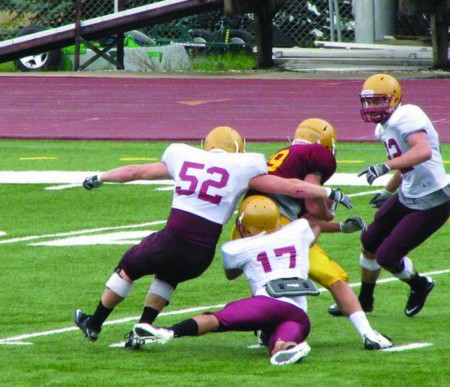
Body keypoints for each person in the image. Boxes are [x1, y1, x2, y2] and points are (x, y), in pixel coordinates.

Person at [73, 126, 353, 344]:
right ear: (237, 149)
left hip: (173, 238)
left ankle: (94, 323)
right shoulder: (243, 168)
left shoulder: (183, 156)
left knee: (128, 268)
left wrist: (99, 177)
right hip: (201, 255)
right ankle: (144, 326)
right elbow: (293, 187)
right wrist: (328, 192)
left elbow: (135, 172)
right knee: (168, 276)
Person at [238, 118, 392, 350]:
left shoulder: (284, 156)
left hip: (246, 223)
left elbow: (302, 221)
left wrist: (339, 226)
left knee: (264, 277)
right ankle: (368, 334)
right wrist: (328, 214)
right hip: (277, 226)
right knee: (335, 278)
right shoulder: (317, 154)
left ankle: (266, 328)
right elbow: (311, 208)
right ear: (325, 142)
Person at [126, 195, 320, 366]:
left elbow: (231, 274)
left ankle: (169, 331)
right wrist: (341, 228)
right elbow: (315, 225)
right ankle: (288, 348)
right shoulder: (298, 231)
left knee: (217, 319)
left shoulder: (237, 248)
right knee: (279, 344)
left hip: (267, 302)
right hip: (298, 313)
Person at [329, 73, 450, 317]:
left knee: (387, 256)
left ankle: (419, 284)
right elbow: (405, 162)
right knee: (370, 241)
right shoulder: (383, 128)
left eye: (378, 101)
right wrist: (388, 190)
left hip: (433, 200)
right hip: (409, 193)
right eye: (369, 102)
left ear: (394, 99)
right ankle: (364, 300)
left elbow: (423, 151)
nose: (373, 107)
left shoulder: (407, 115)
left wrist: (385, 167)